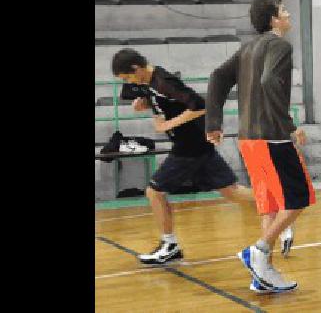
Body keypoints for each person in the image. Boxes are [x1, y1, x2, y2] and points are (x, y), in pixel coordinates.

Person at [111, 49, 263, 266]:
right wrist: (141, 102)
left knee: (154, 192)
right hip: (198, 144)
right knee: (232, 192)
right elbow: (150, 98)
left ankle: (169, 245)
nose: (129, 82)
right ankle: (279, 201)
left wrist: (167, 125)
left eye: (128, 77)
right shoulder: (146, 83)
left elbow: (200, 106)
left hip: (188, 147)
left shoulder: (164, 82)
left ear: (137, 68)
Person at [206, 0, 316, 293]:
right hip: (272, 137)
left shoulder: (247, 49)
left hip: (248, 140)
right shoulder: (279, 45)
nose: (289, 13)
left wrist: (213, 123)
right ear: (273, 19)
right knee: (298, 199)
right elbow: (269, 82)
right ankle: (259, 251)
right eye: (283, 10)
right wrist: (290, 126)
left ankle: (262, 274)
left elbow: (217, 77)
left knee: (268, 204)